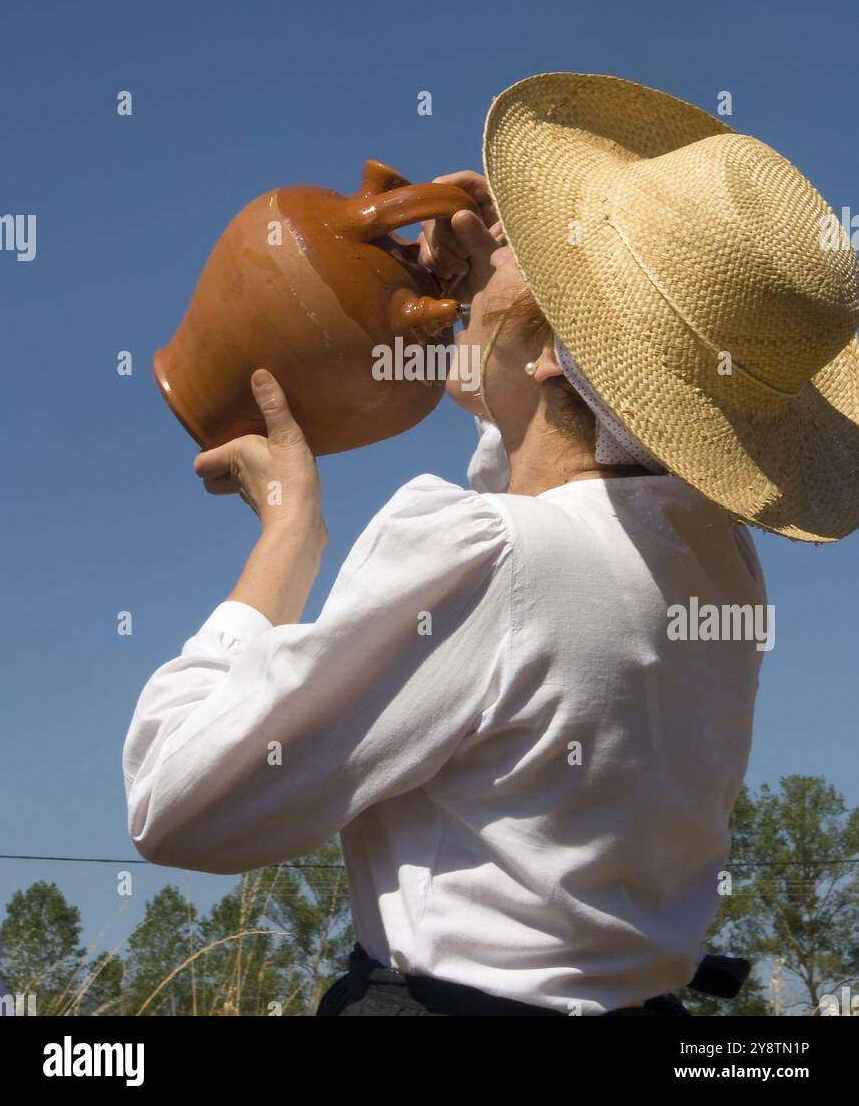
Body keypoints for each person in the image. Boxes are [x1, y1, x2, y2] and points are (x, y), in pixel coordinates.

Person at [123, 72, 859, 1016]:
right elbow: (562, 488)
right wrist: (495, 310)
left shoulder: (492, 560)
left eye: (530, 250)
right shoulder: (715, 568)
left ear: (558, 350)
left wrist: (289, 538)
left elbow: (174, 799)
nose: (491, 247)